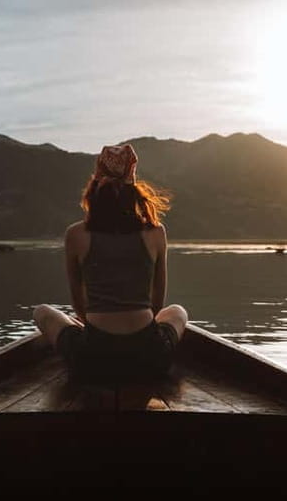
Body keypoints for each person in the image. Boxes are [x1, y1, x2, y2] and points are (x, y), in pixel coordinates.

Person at [33, 143, 188, 382]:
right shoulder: (156, 233)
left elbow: (79, 305)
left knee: (42, 312)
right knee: (178, 312)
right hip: (149, 355)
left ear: (96, 181)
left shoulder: (76, 234)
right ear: (132, 183)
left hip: (93, 358)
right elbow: (157, 303)